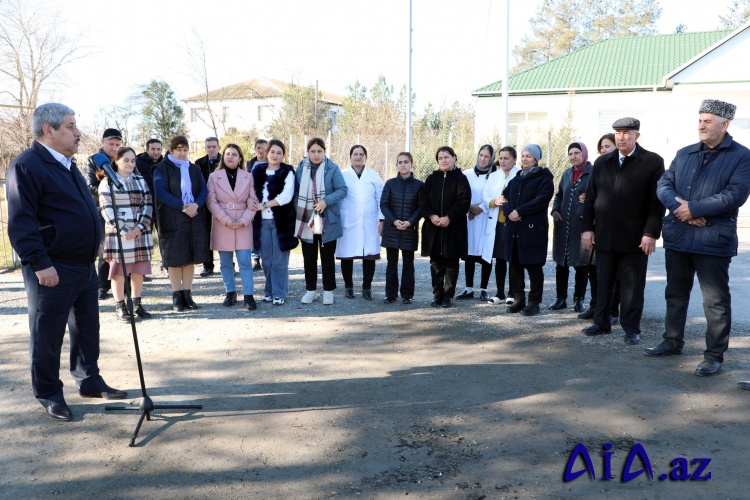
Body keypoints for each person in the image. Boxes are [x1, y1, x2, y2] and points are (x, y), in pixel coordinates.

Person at [7, 103, 127, 421]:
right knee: (47, 332)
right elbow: (21, 222)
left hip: (83, 265)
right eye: (71, 126)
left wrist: (96, 237)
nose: (78, 132)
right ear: (49, 130)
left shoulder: (68, 164)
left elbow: (83, 207)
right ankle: (48, 392)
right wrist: (39, 262)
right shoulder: (27, 165)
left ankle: (89, 380)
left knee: (87, 327)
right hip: (52, 267)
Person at [645, 99, 750, 377]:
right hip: (680, 235)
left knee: (714, 301)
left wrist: (695, 208)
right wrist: (683, 210)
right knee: (675, 294)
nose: (701, 126)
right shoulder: (685, 153)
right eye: (700, 120)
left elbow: (735, 194)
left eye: (708, 121)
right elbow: (664, 184)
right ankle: (672, 341)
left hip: (712, 240)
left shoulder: (741, 156)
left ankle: (714, 355)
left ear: (724, 125)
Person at [581, 117, 665, 345]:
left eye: (627, 132)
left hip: (635, 238)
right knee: (603, 281)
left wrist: (650, 233)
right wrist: (587, 229)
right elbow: (590, 198)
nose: (621, 137)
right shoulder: (602, 162)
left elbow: (657, 203)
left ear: (637, 135)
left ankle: (631, 328)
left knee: (632, 286)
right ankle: (601, 322)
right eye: (618, 132)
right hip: (605, 236)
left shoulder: (652, 162)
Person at [153, 135, 210, 312]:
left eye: (185, 150)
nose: (182, 153)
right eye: (179, 150)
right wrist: (183, 206)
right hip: (172, 217)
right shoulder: (161, 168)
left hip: (193, 217)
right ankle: (176, 295)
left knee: (190, 258)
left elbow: (204, 189)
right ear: (171, 150)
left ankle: (187, 294)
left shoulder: (194, 169)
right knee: (175, 259)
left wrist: (196, 204)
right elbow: (160, 192)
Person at [98, 147, 154, 322]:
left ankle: (136, 304)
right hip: (118, 234)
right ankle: (120, 305)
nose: (130, 164)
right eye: (126, 160)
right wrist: (123, 230)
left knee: (138, 270)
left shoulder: (140, 180)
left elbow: (148, 203)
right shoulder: (107, 183)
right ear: (116, 161)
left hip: (140, 232)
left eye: (133, 160)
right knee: (119, 272)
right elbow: (106, 208)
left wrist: (139, 228)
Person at [501, 144, 554, 316]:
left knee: (533, 267)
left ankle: (534, 302)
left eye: (528, 156)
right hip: (514, 229)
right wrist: (510, 213)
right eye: (523, 156)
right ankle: (519, 299)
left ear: (536, 159)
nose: (524, 159)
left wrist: (519, 211)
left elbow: (541, 200)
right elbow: (503, 199)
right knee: (515, 266)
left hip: (532, 230)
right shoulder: (516, 179)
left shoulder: (544, 178)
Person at [294, 137, 348, 305]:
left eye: (319, 151)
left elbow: (342, 189)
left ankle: (328, 291)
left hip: (327, 219)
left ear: (324, 152)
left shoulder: (332, 168)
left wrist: (326, 202)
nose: (316, 155)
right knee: (308, 257)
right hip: (306, 219)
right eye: (313, 151)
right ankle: (311, 290)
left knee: (327, 257)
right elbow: (295, 193)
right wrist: (301, 208)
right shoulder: (301, 168)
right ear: (308, 152)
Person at [206, 144, 258, 311]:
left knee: (245, 261)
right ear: (223, 157)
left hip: (243, 222)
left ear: (240, 158)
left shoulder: (248, 177)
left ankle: (248, 295)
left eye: (234, 154)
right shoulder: (214, 177)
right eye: (227, 154)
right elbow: (211, 201)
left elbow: (253, 201)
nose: (230, 157)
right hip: (223, 223)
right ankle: (231, 292)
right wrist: (225, 219)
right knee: (225, 262)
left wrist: (245, 220)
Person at [419, 146, 471, 308]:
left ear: (454, 158)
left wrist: (449, 217)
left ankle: (448, 295)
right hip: (433, 227)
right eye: (440, 158)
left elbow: (463, 201)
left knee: (451, 263)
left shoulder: (461, 179)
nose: (443, 160)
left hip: (453, 227)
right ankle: (437, 294)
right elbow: (423, 201)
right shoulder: (431, 179)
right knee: (435, 262)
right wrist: (432, 216)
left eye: (446, 157)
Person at [249, 139, 297, 305]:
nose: (275, 155)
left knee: (279, 260)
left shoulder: (288, 172)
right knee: (266, 260)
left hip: (281, 223)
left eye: (279, 152)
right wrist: (251, 202)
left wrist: (264, 205)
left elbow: (286, 197)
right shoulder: (257, 170)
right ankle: (268, 291)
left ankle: (279, 293)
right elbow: (250, 192)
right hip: (261, 223)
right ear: (267, 153)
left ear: (283, 155)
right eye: (272, 152)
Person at [578, 133, 619, 321]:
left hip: (611, 229)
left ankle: (612, 310)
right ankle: (596, 306)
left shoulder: (618, 168)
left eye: (607, 146)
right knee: (593, 270)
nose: (604, 150)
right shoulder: (598, 167)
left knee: (613, 274)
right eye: (601, 147)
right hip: (593, 227)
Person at [549, 141, 593, 313]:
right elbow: (559, 195)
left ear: (584, 154)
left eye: (576, 153)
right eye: (570, 153)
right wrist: (554, 210)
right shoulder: (567, 174)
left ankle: (579, 299)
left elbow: (598, 194)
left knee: (581, 264)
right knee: (562, 263)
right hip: (563, 225)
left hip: (582, 226)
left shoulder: (593, 172)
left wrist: (588, 197)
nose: (573, 156)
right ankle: (561, 299)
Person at [336, 145, 384, 300]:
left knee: (369, 255)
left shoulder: (374, 175)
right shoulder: (342, 175)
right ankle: (348, 287)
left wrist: (382, 219)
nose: (358, 157)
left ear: (365, 157)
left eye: (361, 154)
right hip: (348, 220)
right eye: (355, 154)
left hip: (369, 221)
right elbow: (337, 196)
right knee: (347, 255)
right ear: (350, 157)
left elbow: (380, 198)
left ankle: (367, 288)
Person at [84, 127, 123, 300]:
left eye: (117, 144)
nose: (114, 147)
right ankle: (102, 285)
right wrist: (110, 193)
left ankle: (125, 282)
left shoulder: (123, 159)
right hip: (101, 210)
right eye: (111, 144)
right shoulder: (93, 161)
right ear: (102, 142)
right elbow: (90, 186)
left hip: (123, 210)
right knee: (105, 248)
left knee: (122, 248)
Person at [381, 152, 424, 304]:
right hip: (392, 230)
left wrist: (410, 222)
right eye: (400, 162)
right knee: (391, 263)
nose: (403, 164)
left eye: (406, 162)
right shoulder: (390, 184)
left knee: (408, 264)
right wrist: (394, 221)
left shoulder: (420, 185)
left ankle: (407, 295)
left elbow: (421, 207)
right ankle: (390, 294)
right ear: (397, 165)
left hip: (409, 230)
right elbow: (384, 205)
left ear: (412, 164)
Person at [456, 145, 496, 302]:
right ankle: (468, 288)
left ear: (492, 159)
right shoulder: (466, 174)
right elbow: (461, 195)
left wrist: (480, 208)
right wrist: (469, 209)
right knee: (469, 253)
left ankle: (484, 289)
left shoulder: (495, 176)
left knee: (486, 253)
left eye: (487, 156)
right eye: (481, 155)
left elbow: (496, 195)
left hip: (486, 217)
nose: (483, 158)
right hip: (469, 219)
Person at [481, 146, 520, 305]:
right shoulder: (494, 176)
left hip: (513, 223)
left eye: (506, 158)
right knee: (499, 258)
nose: (503, 161)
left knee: (512, 258)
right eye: (501, 158)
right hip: (497, 222)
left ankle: (512, 293)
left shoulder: (519, 175)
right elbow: (485, 195)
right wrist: (494, 202)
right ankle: (499, 293)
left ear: (514, 160)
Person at [195, 137, 222, 277]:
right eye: (208, 147)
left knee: (224, 235)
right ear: (205, 148)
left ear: (219, 147)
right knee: (206, 236)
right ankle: (208, 265)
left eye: (214, 146)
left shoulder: (225, 160)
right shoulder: (199, 163)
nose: (211, 149)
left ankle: (227, 264)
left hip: (223, 205)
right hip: (205, 206)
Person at [247, 138, 269, 271]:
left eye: (264, 148)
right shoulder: (250, 164)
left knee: (266, 230)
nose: (261, 151)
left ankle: (266, 256)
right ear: (255, 149)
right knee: (253, 231)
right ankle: (255, 258)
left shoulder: (272, 163)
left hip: (268, 202)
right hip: (253, 201)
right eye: (258, 148)